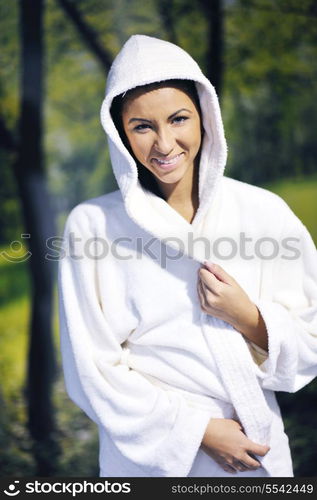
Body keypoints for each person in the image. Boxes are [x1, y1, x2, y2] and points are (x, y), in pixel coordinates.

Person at [58, 34, 317, 477]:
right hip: (151, 464)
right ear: (120, 133)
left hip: (257, 453)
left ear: (205, 117)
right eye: (142, 126)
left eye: (178, 119)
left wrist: (248, 318)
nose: (164, 144)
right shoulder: (93, 226)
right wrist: (198, 430)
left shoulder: (263, 211)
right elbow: (91, 370)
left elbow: (312, 338)